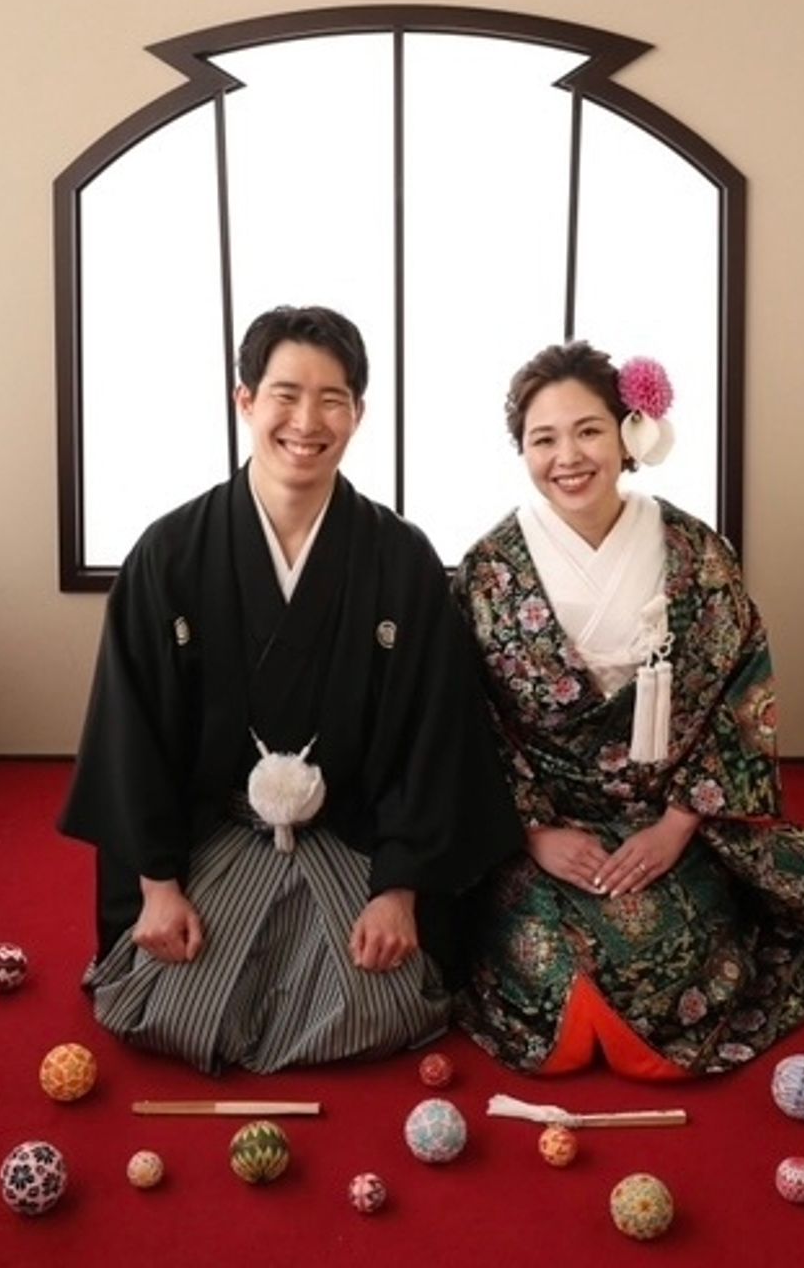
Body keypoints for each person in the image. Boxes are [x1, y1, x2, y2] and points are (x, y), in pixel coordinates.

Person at [452, 340, 804, 1078]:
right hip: (546, 818)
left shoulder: (693, 552)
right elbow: (467, 717)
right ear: (521, 450)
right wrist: (533, 833)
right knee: (546, 960)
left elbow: (741, 688)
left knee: (669, 958)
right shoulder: (490, 571)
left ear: (628, 433)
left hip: (668, 810)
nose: (568, 457)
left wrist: (677, 827)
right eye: (543, 439)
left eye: (588, 430)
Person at [60, 305, 522, 1074]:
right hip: (213, 833)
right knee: (165, 1002)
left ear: (358, 414)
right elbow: (129, 734)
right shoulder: (169, 555)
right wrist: (158, 886)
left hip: (355, 836)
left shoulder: (401, 561)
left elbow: (434, 735)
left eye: (332, 399)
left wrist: (399, 890)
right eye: (285, 394)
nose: (307, 422)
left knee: (386, 998)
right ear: (245, 400)